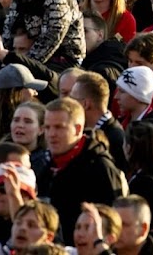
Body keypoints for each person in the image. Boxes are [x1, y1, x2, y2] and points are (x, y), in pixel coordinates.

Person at [35, 98, 126, 246]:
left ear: (78, 129)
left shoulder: (99, 167)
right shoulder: (45, 165)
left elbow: (112, 225)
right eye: (47, 127)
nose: (51, 134)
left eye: (59, 127)